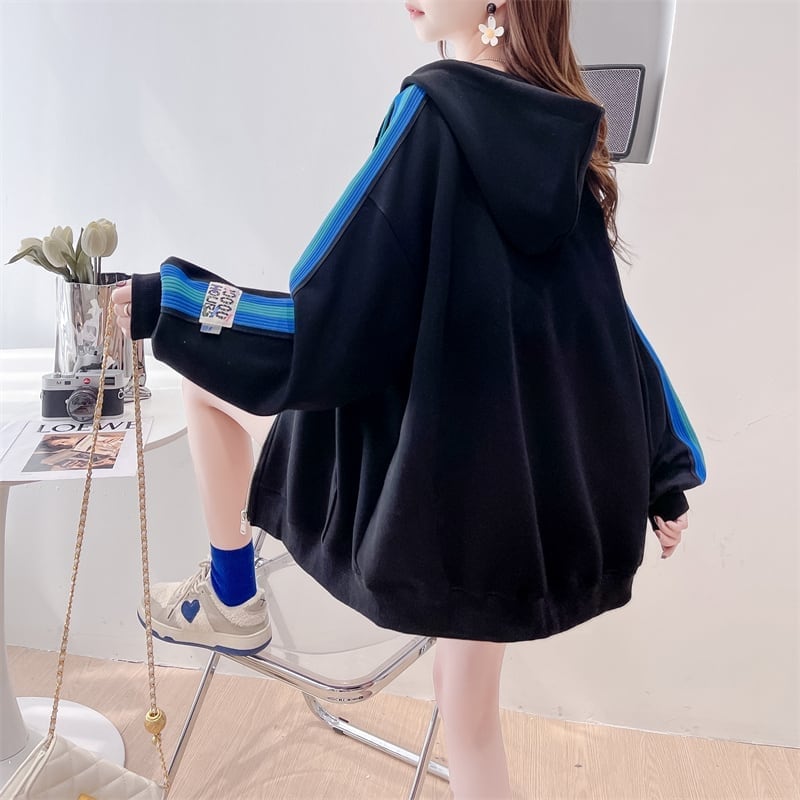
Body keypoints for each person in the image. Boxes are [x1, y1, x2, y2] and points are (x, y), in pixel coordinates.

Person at [111, 2, 705, 796]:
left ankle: (232, 594)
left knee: (198, 384)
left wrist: (173, 303)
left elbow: (329, 316)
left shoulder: (431, 111)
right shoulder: (565, 128)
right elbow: (604, 328)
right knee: (469, 718)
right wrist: (664, 466)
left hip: (424, 483)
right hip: (507, 496)